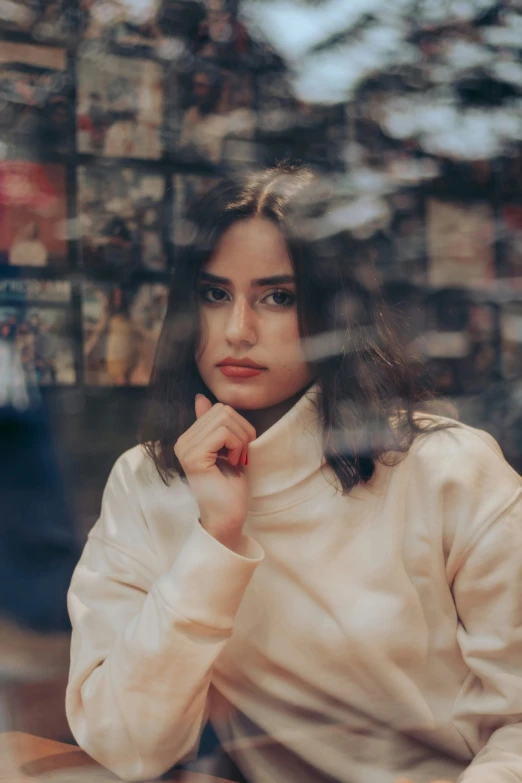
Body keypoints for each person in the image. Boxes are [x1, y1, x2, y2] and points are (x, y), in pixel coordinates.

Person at [66, 165, 522, 783]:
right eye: (214, 294)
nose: (237, 331)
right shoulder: (148, 483)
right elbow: (126, 745)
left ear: (334, 315)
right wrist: (215, 540)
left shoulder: (447, 470)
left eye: (278, 297)